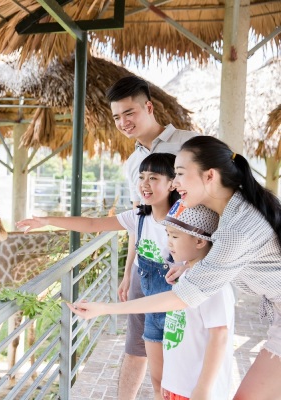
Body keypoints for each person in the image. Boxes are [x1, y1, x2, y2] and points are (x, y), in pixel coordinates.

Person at [69, 135, 281, 400]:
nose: (175, 182)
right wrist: (199, 265)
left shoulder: (237, 229)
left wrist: (107, 309)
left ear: (210, 176)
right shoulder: (232, 209)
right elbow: (223, 252)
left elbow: (183, 297)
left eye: (180, 173)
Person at [17, 152, 179, 399]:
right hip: (145, 295)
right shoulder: (139, 217)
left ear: (172, 183)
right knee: (156, 378)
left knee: (172, 377)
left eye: (154, 178)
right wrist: (47, 220)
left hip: (174, 304)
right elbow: (93, 224)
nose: (145, 184)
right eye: (142, 177)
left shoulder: (182, 219)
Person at [107, 75, 197, 399]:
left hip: (185, 266)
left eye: (129, 113)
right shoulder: (133, 163)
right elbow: (139, 220)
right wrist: (128, 270)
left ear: (148, 106)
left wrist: (199, 262)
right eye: (117, 116)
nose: (123, 122)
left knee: (184, 346)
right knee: (137, 343)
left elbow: (217, 207)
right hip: (146, 266)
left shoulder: (191, 143)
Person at [160, 200, 235, 400]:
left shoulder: (214, 285)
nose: (169, 242)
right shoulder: (187, 275)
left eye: (175, 236)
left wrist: (203, 389)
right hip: (179, 385)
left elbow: (219, 335)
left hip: (196, 391)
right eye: (167, 235)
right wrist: (169, 380)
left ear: (200, 241)